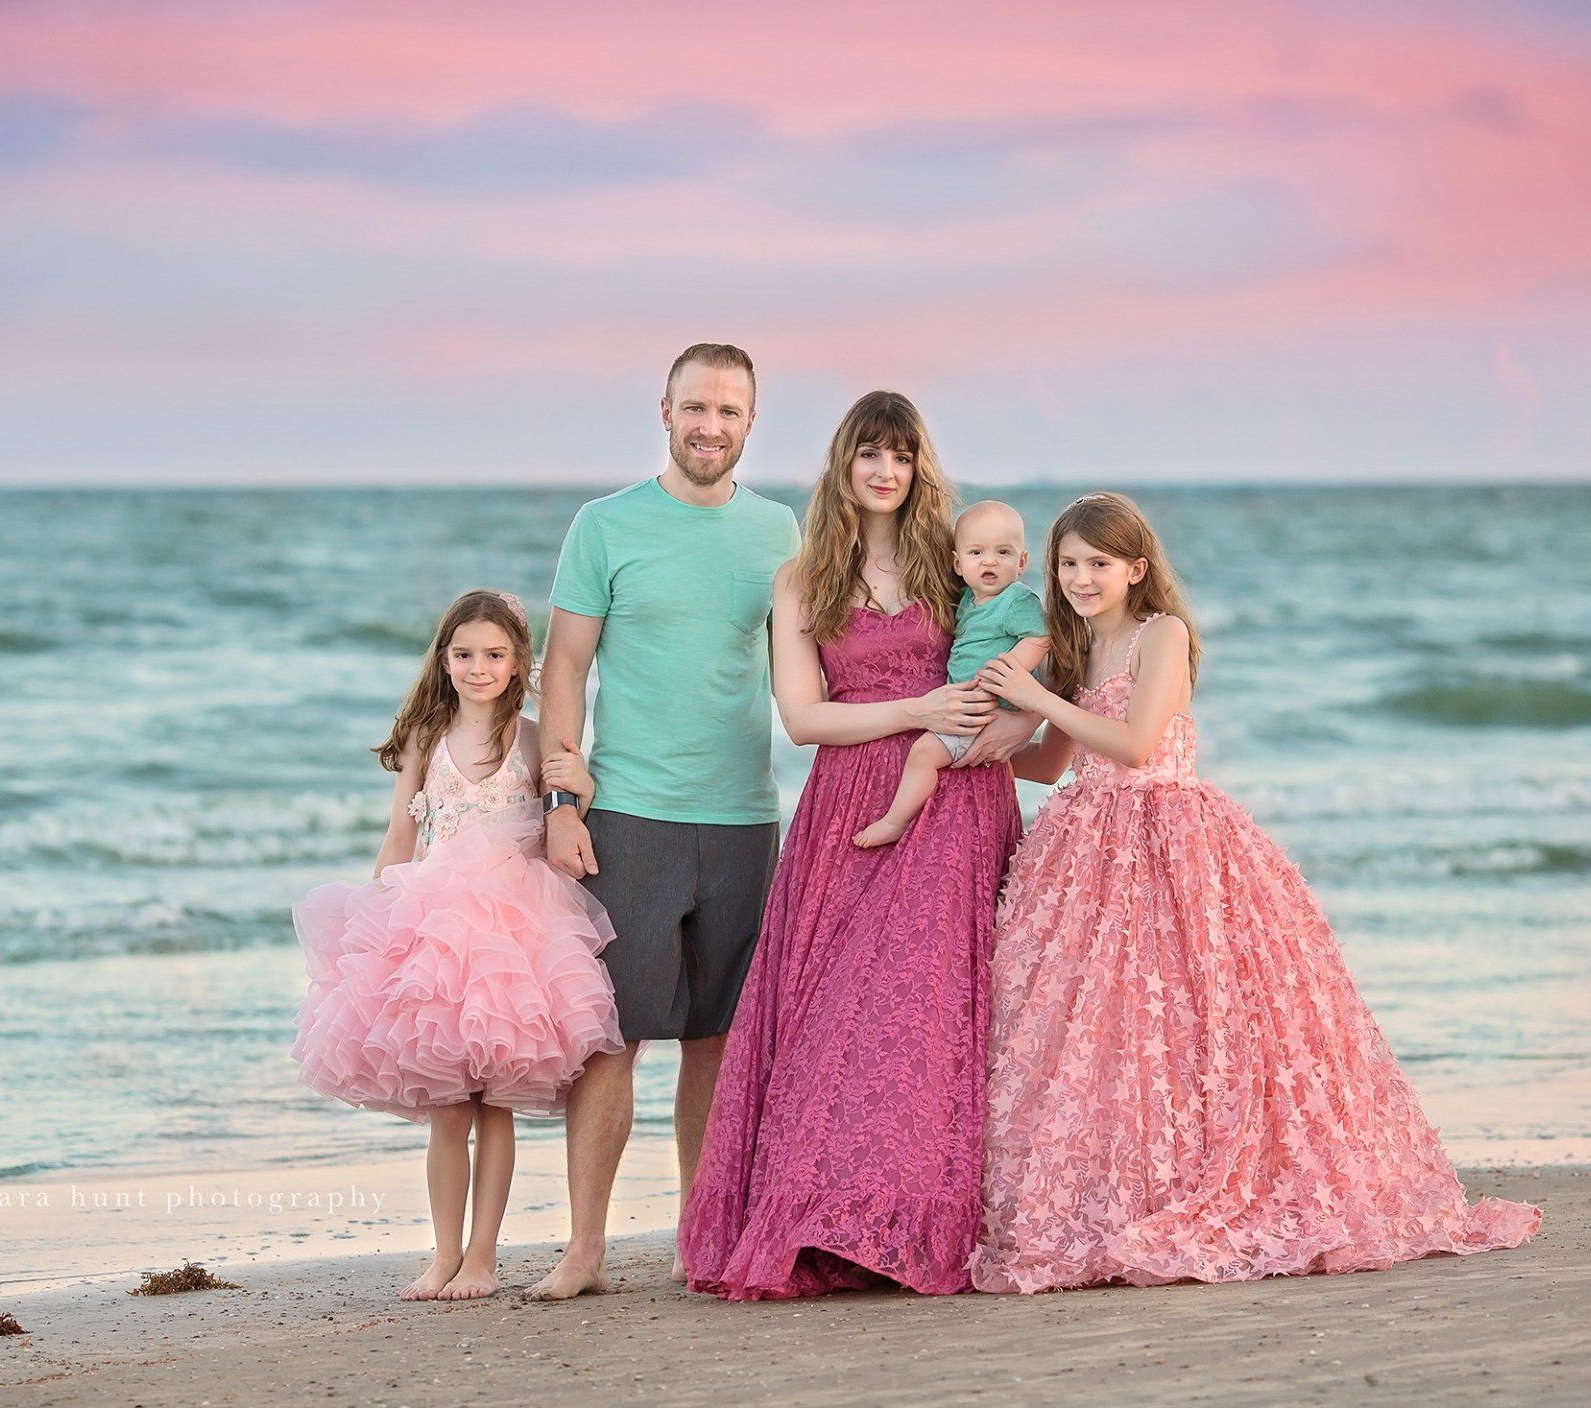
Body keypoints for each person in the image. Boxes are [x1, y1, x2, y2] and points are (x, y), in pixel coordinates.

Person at [967, 493, 1542, 1293]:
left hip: (1171, 838)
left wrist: (1037, 702)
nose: (1080, 578)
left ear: (1136, 569)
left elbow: (1135, 744)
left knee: (1199, 1016)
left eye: (1098, 564)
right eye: (1068, 563)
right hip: (1084, 848)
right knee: (1103, 1029)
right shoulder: (1070, 648)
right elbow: (1056, 763)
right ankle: (1120, 1185)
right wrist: (976, 746)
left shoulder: (1159, 633)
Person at [678, 391, 1040, 1301]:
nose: (885, 471)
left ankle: (907, 1223)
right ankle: (822, 1222)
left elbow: (1036, 646)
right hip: (847, 804)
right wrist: (917, 710)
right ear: (843, 465)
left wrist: (1009, 732)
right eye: (869, 454)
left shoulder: (958, 565)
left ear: (920, 468)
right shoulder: (802, 579)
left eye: (902, 456)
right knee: (837, 1019)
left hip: (956, 806)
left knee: (926, 1019)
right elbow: (802, 719)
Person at [527, 344, 802, 1300]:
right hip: (630, 814)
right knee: (612, 1036)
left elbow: (814, 675)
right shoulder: (605, 526)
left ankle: (704, 1238)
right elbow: (562, 669)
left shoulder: (782, 534)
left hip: (742, 820)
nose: (710, 426)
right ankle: (586, 1249)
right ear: (665, 410)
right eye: (695, 407)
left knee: (717, 1039)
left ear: (751, 422)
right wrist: (563, 801)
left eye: (729, 411)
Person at [291, 590, 621, 1301]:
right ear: (443, 660)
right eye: (465, 655)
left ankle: (482, 1260)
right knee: (447, 1111)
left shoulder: (532, 740)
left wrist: (583, 782)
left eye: (494, 655)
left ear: (518, 663)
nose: (479, 668)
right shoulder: (424, 740)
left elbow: (570, 809)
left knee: (494, 1102)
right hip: (434, 933)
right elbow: (402, 835)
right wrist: (375, 917)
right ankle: (443, 1255)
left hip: (510, 941)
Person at [852, 499, 1047, 847]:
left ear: (1022, 562)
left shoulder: (1018, 600)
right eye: (976, 553)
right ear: (957, 564)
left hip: (983, 711)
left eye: (1003, 552)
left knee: (924, 754)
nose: (989, 561)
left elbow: (1042, 638)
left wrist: (1007, 672)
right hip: (970, 706)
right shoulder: (969, 600)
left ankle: (895, 821)